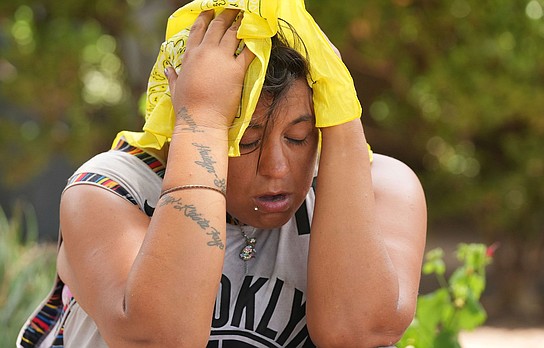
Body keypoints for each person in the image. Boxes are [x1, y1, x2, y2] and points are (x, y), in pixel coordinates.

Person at [18, 3, 426, 348]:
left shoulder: (380, 188)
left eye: (299, 137)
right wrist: (203, 121)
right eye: (245, 141)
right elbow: (164, 337)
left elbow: (356, 331)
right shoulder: (109, 190)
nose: (277, 168)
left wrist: (342, 114)